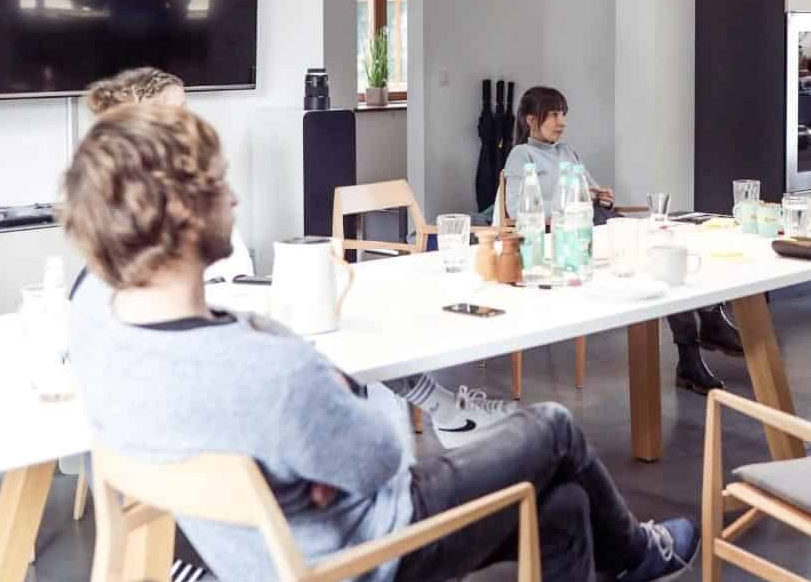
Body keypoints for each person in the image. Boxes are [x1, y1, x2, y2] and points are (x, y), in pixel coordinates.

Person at [62, 104, 704, 582]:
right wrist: (336, 386)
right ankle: (631, 556)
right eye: (220, 183)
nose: (236, 195)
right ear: (184, 214)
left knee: (564, 506)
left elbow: (315, 417)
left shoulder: (94, 320)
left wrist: (315, 407)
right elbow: (390, 452)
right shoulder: (269, 374)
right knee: (552, 426)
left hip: (256, 563)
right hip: (357, 566)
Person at [81, 67, 513, 448]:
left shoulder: (135, 232)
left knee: (349, 333)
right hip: (237, 341)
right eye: (176, 114)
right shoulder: (157, 229)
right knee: (348, 348)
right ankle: (442, 411)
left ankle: (442, 410)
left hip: (237, 317)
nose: (191, 121)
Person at [502, 85, 745, 396]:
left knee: (666, 250)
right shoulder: (521, 155)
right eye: (553, 115)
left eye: (564, 114)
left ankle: (705, 327)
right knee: (656, 257)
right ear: (530, 119)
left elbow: (590, 190)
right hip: (565, 238)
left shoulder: (567, 151)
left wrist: (602, 195)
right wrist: (577, 199)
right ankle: (697, 346)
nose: (561, 121)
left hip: (599, 223)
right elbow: (515, 209)